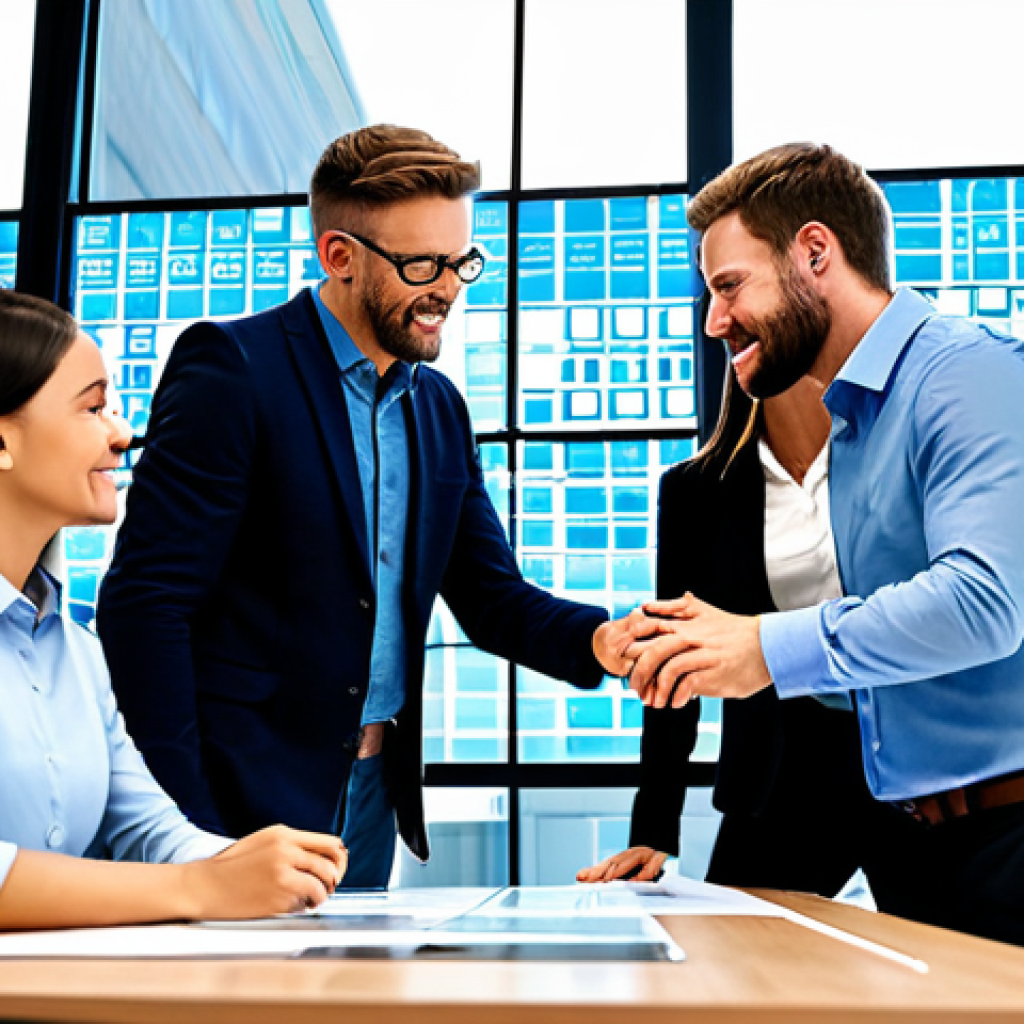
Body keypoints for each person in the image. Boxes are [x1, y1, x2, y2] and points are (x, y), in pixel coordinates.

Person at [97, 125, 639, 889]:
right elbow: (145, 606)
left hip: (371, 800)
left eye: (460, 263)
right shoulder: (233, 369)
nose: (446, 288)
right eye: (421, 264)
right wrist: (188, 829)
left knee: (341, 1008)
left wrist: (606, 642)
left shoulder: (440, 410)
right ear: (339, 257)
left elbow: (491, 599)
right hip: (239, 799)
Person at [627, 143, 1024, 945]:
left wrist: (764, 648)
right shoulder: (855, 427)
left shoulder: (968, 375)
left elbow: (985, 602)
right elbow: (878, 657)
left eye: (729, 285)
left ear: (815, 252)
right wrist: (693, 654)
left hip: (1008, 846)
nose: (714, 320)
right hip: (926, 845)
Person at [0, 290, 346, 931]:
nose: (121, 433)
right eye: (93, 407)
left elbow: (148, 829)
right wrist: (199, 887)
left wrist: (257, 863)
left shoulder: (74, 651)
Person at [579, 368, 915, 893]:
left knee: (964, 963)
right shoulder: (697, 490)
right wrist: (653, 828)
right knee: (734, 961)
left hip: (911, 770)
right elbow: (675, 658)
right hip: (779, 777)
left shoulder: (895, 458)